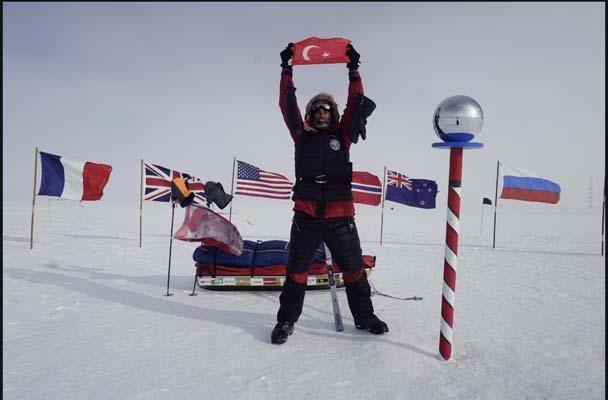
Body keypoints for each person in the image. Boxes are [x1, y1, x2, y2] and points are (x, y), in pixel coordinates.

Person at [271, 42, 388, 344]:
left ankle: (365, 316)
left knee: (353, 270)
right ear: (310, 115)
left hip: (340, 217)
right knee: (297, 272)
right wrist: (287, 70)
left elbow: (355, 101)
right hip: (306, 216)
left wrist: (353, 70)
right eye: (316, 110)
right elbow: (287, 104)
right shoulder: (301, 136)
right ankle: (285, 321)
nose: (322, 113)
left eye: (327, 109)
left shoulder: (342, 136)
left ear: (333, 114)